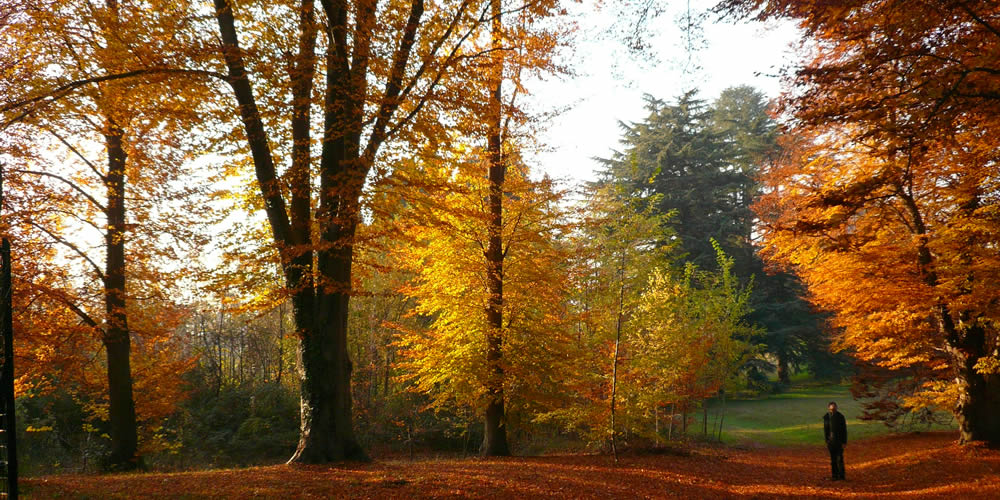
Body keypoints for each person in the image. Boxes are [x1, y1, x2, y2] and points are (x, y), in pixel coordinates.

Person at [823, 401, 847, 480]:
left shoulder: (841, 417)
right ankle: (834, 475)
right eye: (831, 409)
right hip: (831, 441)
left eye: (834, 409)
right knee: (833, 459)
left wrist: (844, 442)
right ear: (829, 408)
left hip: (839, 441)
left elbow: (844, 430)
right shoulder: (826, 417)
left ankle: (841, 475)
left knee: (840, 458)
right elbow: (826, 430)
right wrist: (827, 440)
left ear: (836, 408)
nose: (833, 410)